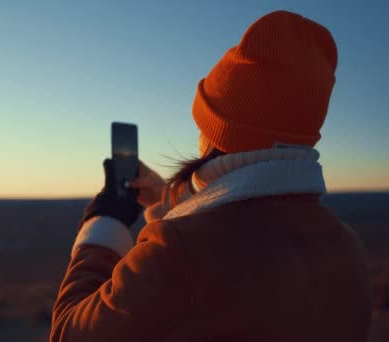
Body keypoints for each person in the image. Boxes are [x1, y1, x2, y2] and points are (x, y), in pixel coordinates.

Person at [50, 10, 371, 342]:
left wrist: (104, 224)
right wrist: (169, 202)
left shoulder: (178, 252)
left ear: (219, 133)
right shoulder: (347, 244)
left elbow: (69, 334)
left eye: (203, 123)